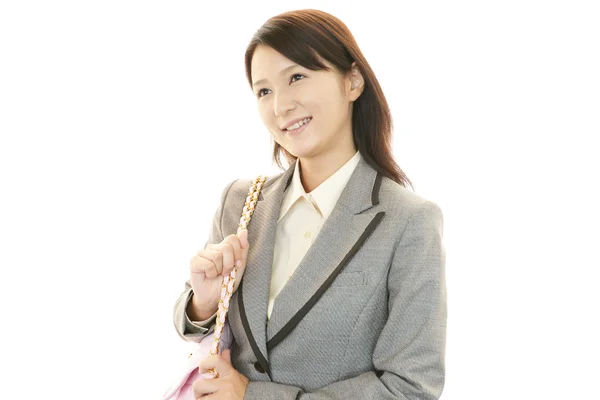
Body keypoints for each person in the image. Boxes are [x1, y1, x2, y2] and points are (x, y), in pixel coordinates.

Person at [172, 8, 447, 400]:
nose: (280, 106)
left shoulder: (408, 222)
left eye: (297, 77)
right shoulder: (240, 202)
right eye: (263, 90)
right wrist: (204, 302)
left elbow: (410, 387)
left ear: (352, 81)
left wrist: (254, 395)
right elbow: (195, 328)